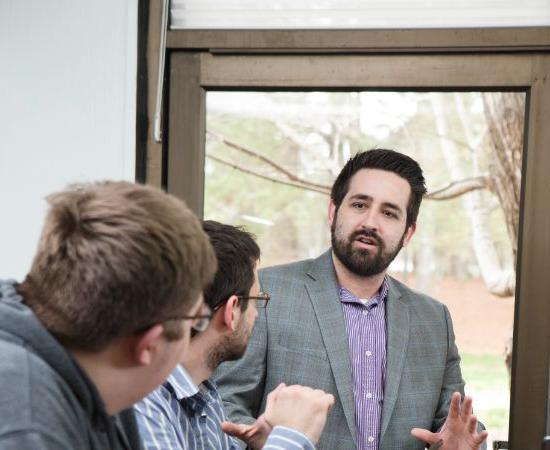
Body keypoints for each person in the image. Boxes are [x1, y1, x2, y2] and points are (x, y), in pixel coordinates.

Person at [213, 149, 488, 450]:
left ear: (408, 233)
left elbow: (457, 424)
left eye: (389, 212)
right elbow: (224, 404)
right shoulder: (267, 291)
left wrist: (463, 445)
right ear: (333, 212)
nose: (370, 222)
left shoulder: (434, 319)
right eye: (360, 204)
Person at [0, 181, 217, 449]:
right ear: (149, 344)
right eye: (196, 319)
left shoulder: (100, 385)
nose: (197, 326)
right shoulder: (28, 429)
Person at [135, 220, 334, 450]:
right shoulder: (143, 405)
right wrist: (291, 438)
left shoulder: (205, 396)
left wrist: (266, 443)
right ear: (231, 311)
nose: (256, 316)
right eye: (256, 301)